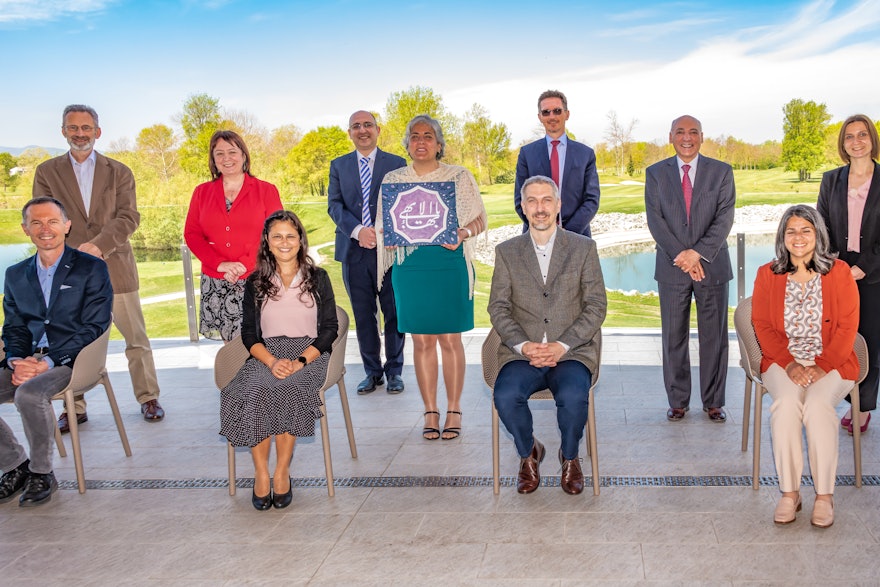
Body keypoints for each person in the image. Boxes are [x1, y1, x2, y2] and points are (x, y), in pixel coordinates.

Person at [33, 104, 164, 428]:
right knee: (67, 339)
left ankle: (148, 397)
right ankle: (73, 406)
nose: (80, 134)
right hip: (66, 271)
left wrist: (98, 246)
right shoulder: (47, 172)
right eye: (73, 128)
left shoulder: (119, 171)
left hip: (115, 267)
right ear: (64, 131)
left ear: (97, 131)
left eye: (86, 128)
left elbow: (128, 216)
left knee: (136, 338)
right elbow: (44, 218)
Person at [489, 176, 606, 495]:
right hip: (521, 355)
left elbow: (596, 306)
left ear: (558, 206)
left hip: (571, 352)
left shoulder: (584, 248)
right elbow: (498, 308)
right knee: (504, 396)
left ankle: (570, 457)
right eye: (532, 201)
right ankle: (529, 453)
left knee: (572, 397)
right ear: (523, 207)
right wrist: (524, 345)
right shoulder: (507, 252)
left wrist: (562, 344)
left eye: (546, 201)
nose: (540, 208)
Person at [378, 115, 487, 440]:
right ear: (407, 143)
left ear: (439, 144)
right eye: (414, 136)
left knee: (450, 340)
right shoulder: (393, 179)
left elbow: (480, 218)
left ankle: (454, 409)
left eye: (428, 136)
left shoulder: (459, 176)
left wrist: (464, 231)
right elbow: (385, 224)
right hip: (410, 267)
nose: (421, 141)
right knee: (422, 341)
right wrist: (389, 237)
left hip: (448, 262)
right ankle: (430, 411)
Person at [220, 210, 338, 511]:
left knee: (287, 389)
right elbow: (249, 334)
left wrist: (299, 361)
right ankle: (261, 474)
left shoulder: (318, 278)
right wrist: (272, 361)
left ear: (300, 241)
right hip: (265, 353)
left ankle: (282, 470)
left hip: (309, 353)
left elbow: (329, 331)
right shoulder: (256, 281)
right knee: (251, 391)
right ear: (267, 242)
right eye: (277, 236)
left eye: (290, 235)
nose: (284, 242)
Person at [0, 197, 113, 507]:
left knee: (28, 395)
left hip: (72, 360)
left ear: (66, 225)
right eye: (36, 222)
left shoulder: (91, 269)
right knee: (21, 384)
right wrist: (17, 361)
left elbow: (94, 325)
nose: (44, 229)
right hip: (28, 359)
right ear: (25, 229)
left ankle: (41, 472)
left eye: (51, 221)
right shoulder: (15, 275)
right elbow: (14, 327)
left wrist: (46, 362)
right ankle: (15, 465)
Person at [751, 205, 859, 528]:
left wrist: (822, 365)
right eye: (791, 231)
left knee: (817, 404)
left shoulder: (839, 272)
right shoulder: (766, 275)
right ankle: (790, 493)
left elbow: (847, 326)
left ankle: (824, 496)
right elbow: (761, 325)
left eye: (806, 230)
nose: (798, 238)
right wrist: (789, 364)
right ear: (782, 237)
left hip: (833, 361)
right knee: (784, 404)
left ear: (818, 235)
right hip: (782, 361)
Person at [645, 114, 735, 422]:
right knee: (674, 337)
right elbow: (656, 220)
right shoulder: (655, 174)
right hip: (672, 268)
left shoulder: (722, 172)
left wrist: (697, 254)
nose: (687, 137)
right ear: (670, 136)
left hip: (712, 265)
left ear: (701, 137)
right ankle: (678, 401)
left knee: (715, 337)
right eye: (680, 132)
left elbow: (724, 218)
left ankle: (714, 401)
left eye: (693, 132)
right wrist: (682, 256)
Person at [328, 111, 407, 395]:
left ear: (378, 129)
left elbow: (403, 203)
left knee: (394, 314)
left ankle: (395, 372)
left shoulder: (397, 164)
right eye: (356, 126)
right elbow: (334, 206)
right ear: (349, 132)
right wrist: (359, 231)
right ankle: (372, 373)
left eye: (368, 125)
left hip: (389, 251)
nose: (363, 130)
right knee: (364, 315)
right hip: (354, 251)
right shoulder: (338, 166)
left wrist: (384, 233)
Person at [185, 130, 283, 342]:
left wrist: (242, 266)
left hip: (257, 277)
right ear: (213, 159)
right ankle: (237, 377)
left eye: (232, 152)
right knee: (231, 347)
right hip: (217, 279)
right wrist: (221, 265)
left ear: (244, 155)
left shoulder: (266, 191)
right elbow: (192, 234)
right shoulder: (201, 192)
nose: (226, 158)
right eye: (219, 153)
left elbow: (275, 234)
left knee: (262, 343)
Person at [817, 114, 880, 435]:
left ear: (872, 139)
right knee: (837, 338)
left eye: (863, 135)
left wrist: (864, 267)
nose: (856, 141)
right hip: (837, 272)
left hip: (874, 274)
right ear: (843, 144)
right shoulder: (831, 180)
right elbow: (822, 226)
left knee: (869, 341)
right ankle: (836, 396)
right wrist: (833, 265)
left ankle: (862, 408)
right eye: (849, 137)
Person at [514, 90, 600, 237]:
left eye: (557, 111)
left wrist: (565, 233)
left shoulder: (585, 154)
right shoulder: (527, 154)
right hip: (536, 237)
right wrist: (543, 228)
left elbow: (591, 200)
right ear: (540, 117)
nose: (552, 116)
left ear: (567, 114)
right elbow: (520, 200)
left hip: (577, 237)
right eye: (546, 112)